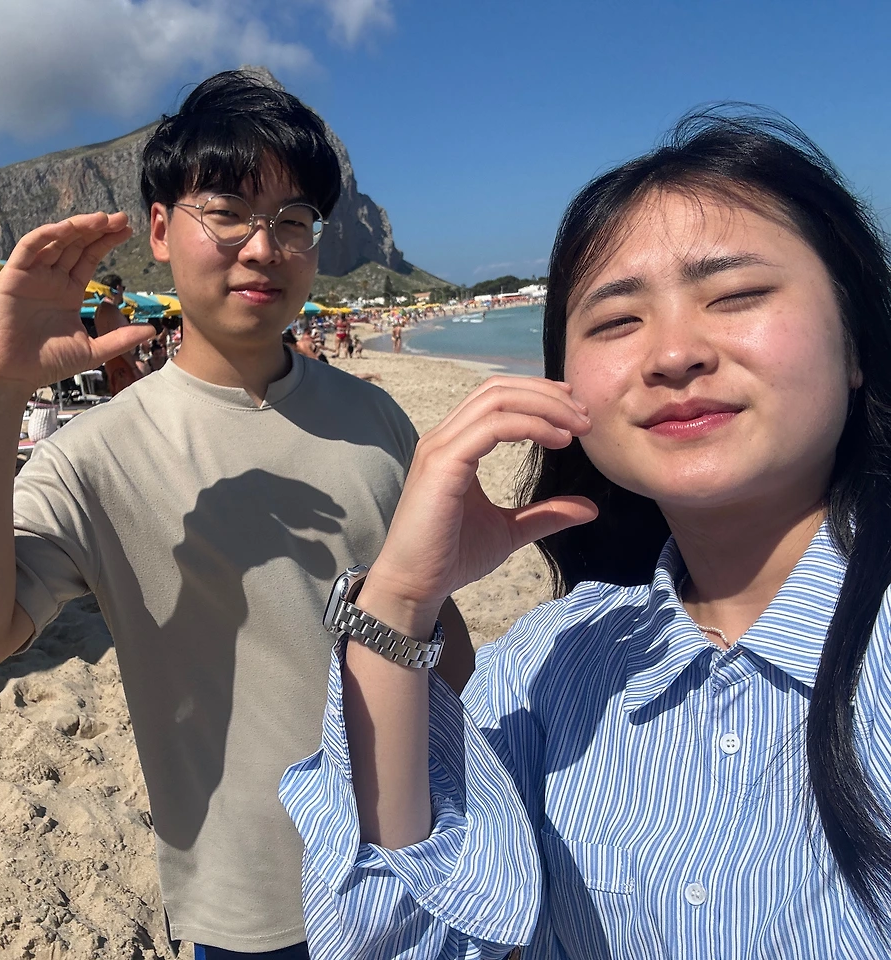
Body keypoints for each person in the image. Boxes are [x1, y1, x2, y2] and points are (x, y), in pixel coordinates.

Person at [279, 111, 891, 957]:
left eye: (736, 295)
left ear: (855, 340)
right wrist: (399, 601)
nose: (673, 354)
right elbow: (401, 938)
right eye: (615, 321)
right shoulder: (548, 664)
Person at [0, 70, 473, 958]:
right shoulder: (96, 455)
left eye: (293, 220)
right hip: (256, 903)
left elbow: (444, 638)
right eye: (228, 213)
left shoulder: (377, 419)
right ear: (161, 230)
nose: (264, 248)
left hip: (426, 864)